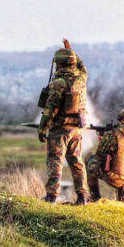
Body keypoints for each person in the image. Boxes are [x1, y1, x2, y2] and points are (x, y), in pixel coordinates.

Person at [37, 39, 90, 205]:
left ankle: (51, 196)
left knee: (55, 162)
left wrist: (42, 128)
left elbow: (50, 110)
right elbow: (82, 67)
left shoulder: (59, 83)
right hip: (77, 129)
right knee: (77, 162)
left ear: (59, 64)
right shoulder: (81, 79)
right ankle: (82, 197)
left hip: (60, 129)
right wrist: (71, 50)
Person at [86, 106, 124, 203]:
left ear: (121, 118)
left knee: (90, 159)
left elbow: (99, 154)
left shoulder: (114, 133)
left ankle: (95, 197)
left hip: (116, 179)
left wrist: (102, 140)